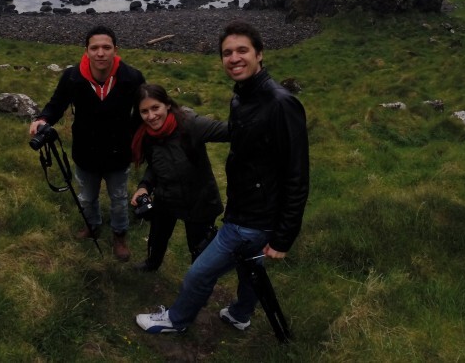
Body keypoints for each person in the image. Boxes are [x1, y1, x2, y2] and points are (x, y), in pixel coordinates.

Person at [136, 19, 309, 333]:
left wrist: (284, 236)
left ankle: (176, 320)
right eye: (227, 53)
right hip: (244, 206)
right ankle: (241, 314)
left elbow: (297, 174)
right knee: (250, 268)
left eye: (242, 50)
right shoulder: (242, 96)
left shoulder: (281, 104)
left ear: (259, 54)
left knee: (200, 273)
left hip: (253, 215)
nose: (234, 58)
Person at [29, 25, 145, 261]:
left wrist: (135, 139)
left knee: (120, 200)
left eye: (106, 47)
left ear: (115, 50)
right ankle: (92, 225)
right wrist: (42, 119)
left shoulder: (132, 77)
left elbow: (144, 109)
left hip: (119, 153)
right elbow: (57, 104)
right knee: (86, 197)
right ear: (86, 51)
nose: (100, 53)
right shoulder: (72, 77)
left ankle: (119, 234)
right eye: (95, 48)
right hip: (85, 152)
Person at [130, 84, 226, 272]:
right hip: (166, 197)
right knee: (157, 236)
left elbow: (229, 131)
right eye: (144, 111)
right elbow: (155, 166)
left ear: (167, 104)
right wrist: (144, 186)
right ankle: (152, 264)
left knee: (199, 248)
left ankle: (197, 285)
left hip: (199, 200)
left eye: (155, 108)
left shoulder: (190, 124)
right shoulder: (147, 135)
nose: (151, 116)